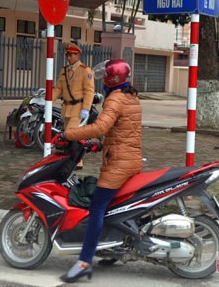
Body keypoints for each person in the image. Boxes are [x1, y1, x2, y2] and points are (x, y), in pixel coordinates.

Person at [56, 59, 142, 283]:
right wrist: (99, 145)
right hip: (131, 160)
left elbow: (102, 127)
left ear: (113, 79)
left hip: (118, 165)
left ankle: (84, 262)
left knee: (97, 208)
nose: (103, 81)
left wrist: (69, 133)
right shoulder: (131, 97)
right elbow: (124, 133)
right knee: (114, 206)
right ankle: (112, 251)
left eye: (106, 77)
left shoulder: (115, 99)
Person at [52, 42, 95, 170]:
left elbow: (89, 91)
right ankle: (73, 160)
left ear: (77, 55)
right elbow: (59, 88)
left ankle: (76, 162)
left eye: (71, 55)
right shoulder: (64, 70)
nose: (68, 57)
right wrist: (49, 100)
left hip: (78, 107)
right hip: (66, 108)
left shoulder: (85, 70)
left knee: (71, 134)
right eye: (67, 55)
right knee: (67, 135)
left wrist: (86, 108)